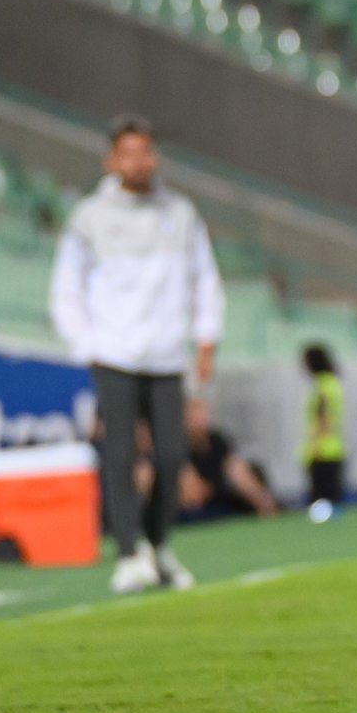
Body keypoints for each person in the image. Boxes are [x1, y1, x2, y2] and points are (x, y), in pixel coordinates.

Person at [51, 114, 224, 593]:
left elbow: (204, 277)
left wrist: (206, 336)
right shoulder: (90, 216)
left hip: (167, 356)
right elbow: (67, 287)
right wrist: (87, 345)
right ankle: (128, 554)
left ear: (155, 155)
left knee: (172, 456)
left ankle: (158, 542)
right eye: (127, 153)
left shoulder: (181, 213)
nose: (137, 161)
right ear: (111, 160)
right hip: (115, 354)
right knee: (121, 454)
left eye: (144, 151)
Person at [178, 396, 278, 522]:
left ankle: (267, 506)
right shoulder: (179, 446)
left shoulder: (217, 440)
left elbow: (233, 469)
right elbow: (194, 491)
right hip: (196, 508)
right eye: (192, 413)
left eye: (200, 412)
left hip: (224, 494)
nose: (198, 418)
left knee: (237, 467)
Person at [301, 344, 346, 515]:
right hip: (335, 449)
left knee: (321, 507)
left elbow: (322, 418)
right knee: (334, 504)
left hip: (321, 451)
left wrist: (315, 446)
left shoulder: (321, 386)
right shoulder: (333, 383)